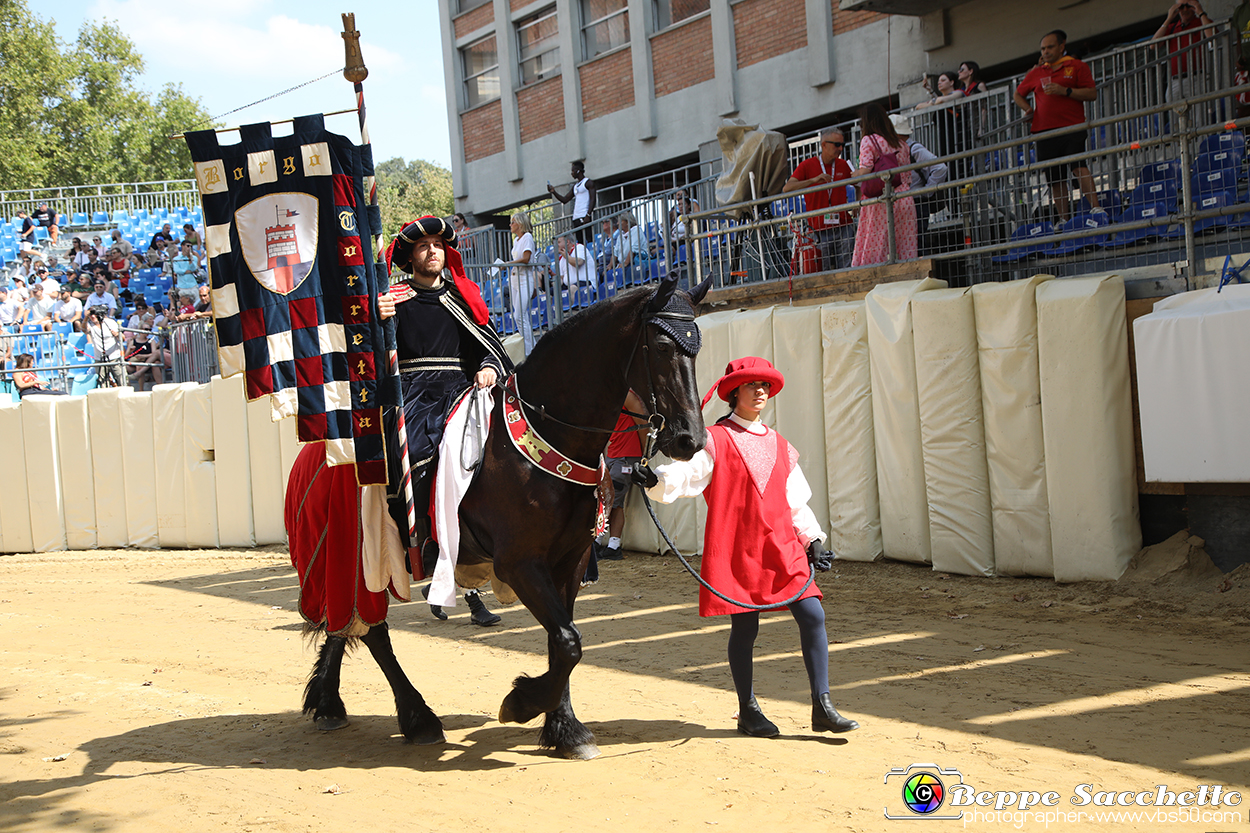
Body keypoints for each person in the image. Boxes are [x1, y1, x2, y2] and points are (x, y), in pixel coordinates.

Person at [288, 215, 513, 630]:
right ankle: (428, 546)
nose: (433, 251)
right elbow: (365, 354)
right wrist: (376, 318)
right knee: (424, 450)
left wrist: (487, 368)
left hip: (464, 389)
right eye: (424, 246)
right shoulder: (392, 299)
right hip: (414, 392)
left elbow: (490, 347)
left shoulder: (465, 298)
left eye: (438, 245)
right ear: (410, 257)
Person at [638, 357, 860, 738]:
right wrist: (654, 478)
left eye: (765, 386)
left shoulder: (780, 445)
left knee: (813, 615)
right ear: (733, 392)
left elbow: (795, 501)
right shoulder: (715, 439)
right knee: (745, 629)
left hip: (782, 546)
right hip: (739, 549)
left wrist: (814, 538)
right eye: (752, 384)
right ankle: (748, 710)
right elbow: (686, 474)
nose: (760, 391)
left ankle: (822, 705)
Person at [1013, 29, 1102, 222]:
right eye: (1043, 48)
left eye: (1050, 47)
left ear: (1062, 46)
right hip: (1044, 130)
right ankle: (1064, 219)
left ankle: (1096, 208)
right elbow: (1018, 94)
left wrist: (1065, 91)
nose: (1046, 51)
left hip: (1072, 126)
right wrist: (1028, 109)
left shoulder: (1076, 66)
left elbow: (1092, 94)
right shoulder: (1036, 72)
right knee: (1055, 177)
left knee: (1079, 167)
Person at [851, 103, 918, 267]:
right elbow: (907, 178)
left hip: (879, 199)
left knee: (876, 249)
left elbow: (865, 170)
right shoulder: (902, 145)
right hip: (904, 198)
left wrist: (854, 175)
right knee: (904, 247)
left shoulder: (869, 140)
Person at [781, 128, 855, 271]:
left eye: (842, 145)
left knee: (847, 267)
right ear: (824, 145)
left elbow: (859, 183)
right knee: (823, 269)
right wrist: (813, 180)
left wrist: (857, 205)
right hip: (819, 228)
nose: (840, 149)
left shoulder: (842, 165)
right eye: (836, 145)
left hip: (843, 224)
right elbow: (787, 188)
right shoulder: (807, 165)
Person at [598, 389, 648, 564]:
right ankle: (609, 544)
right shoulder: (607, 395)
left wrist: (644, 455)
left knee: (613, 499)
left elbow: (643, 424)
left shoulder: (627, 394)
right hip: (613, 453)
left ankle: (606, 544)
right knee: (611, 500)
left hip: (627, 455)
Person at [891, 114, 950, 237]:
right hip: (910, 201)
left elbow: (940, 168)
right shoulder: (905, 148)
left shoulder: (914, 148)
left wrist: (926, 191)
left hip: (917, 202)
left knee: (918, 241)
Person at [1153, 0, 1215, 105]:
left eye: (1189, 6)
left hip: (1197, 78)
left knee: (1199, 117)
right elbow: (1153, 45)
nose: (1185, 10)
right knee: (1176, 118)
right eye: (1182, 7)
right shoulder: (1172, 27)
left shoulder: (1202, 22)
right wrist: (1169, 18)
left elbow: (1212, 37)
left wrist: (1201, 12)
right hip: (1175, 80)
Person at [505, 211, 538, 356]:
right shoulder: (516, 241)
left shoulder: (527, 237)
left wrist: (508, 263)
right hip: (515, 279)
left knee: (519, 314)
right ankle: (531, 346)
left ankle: (530, 349)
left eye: (513, 222)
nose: (511, 225)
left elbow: (526, 258)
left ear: (520, 223)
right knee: (519, 315)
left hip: (525, 278)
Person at [546, 160, 596, 245]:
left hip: (584, 216)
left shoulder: (588, 182)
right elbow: (565, 200)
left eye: (573, 171)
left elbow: (593, 199)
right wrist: (553, 192)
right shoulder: (575, 186)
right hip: (576, 217)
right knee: (580, 243)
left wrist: (588, 214)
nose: (571, 173)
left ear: (578, 170)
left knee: (589, 239)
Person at [125, 298, 161, 390]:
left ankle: (141, 389)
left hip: (146, 362)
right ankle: (129, 387)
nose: (148, 332)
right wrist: (129, 350)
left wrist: (143, 356)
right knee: (123, 366)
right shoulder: (133, 341)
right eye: (146, 330)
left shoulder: (151, 341)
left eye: (149, 330)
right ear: (141, 330)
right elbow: (125, 356)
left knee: (140, 365)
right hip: (135, 362)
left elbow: (154, 353)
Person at [83, 308, 124, 386]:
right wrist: (86, 316)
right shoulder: (89, 324)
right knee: (103, 382)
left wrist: (117, 334)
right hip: (100, 358)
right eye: (90, 314)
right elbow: (83, 329)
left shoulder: (110, 322)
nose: (92, 316)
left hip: (114, 356)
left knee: (121, 379)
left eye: (94, 314)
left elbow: (122, 337)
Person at [610, 211, 647, 283]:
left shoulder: (636, 230)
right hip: (624, 265)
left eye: (620, 221)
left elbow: (633, 249)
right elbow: (615, 253)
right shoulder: (620, 235)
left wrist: (625, 263)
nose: (617, 223)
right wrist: (610, 265)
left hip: (634, 263)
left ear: (627, 222)